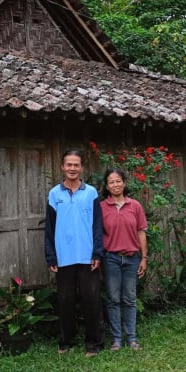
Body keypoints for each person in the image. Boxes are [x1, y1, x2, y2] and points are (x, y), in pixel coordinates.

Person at [44, 149, 105, 356]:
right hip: (64, 257)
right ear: (62, 167)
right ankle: (66, 341)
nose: (72, 168)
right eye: (68, 164)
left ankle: (94, 343)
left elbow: (97, 225)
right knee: (65, 300)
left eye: (76, 165)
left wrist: (97, 253)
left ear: (82, 168)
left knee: (91, 299)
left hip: (88, 256)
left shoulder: (91, 193)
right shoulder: (54, 194)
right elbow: (50, 228)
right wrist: (51, 255)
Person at [100, 167, 148, 351]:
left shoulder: (134, 206)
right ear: (107, 186)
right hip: (110, 258)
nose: (115, 185)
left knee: (129, 298)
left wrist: (143, 258)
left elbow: (141, 232)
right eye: (111, 182)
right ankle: (117, 340)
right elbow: (97, 234)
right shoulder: (102, 207)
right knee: (112, 299)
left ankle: (132, 338)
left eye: (118, 181)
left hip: (132, 258)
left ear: (124, 183)